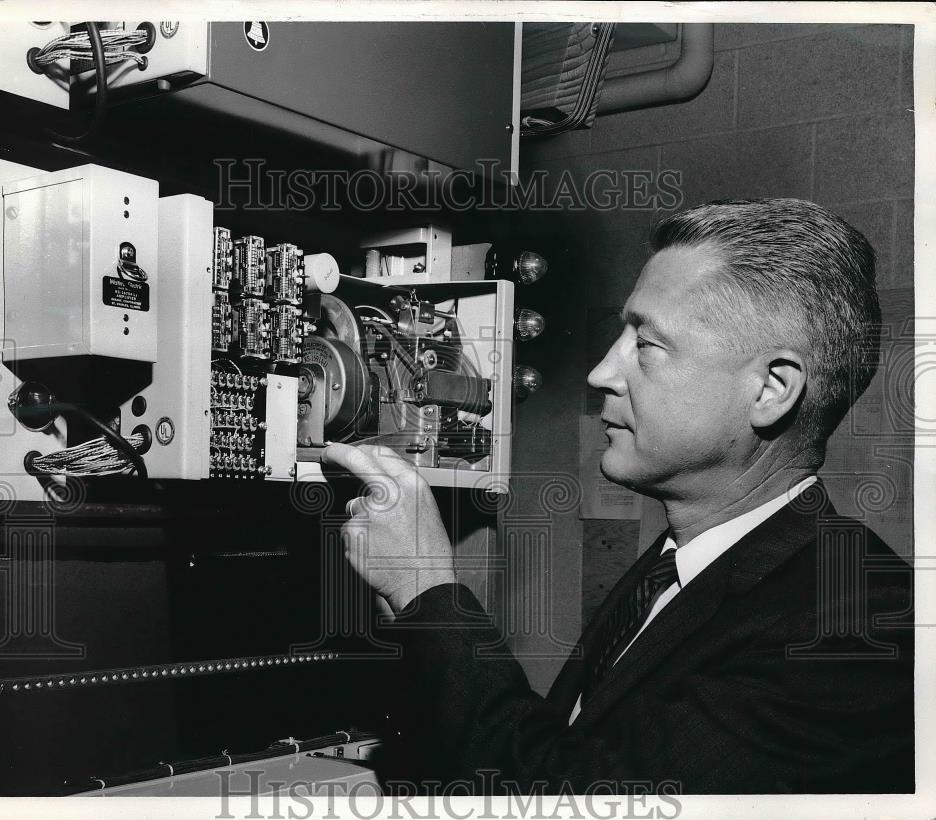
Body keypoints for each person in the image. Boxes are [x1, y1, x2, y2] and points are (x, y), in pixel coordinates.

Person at [321, 198, 914, 794]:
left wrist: (426, 587)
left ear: (771, 389)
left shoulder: (853, 625)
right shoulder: (679, 566)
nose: (602, 372)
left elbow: (570, 799)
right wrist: (419, 618)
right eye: (618, 336)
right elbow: (575, 750)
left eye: (647, 346)